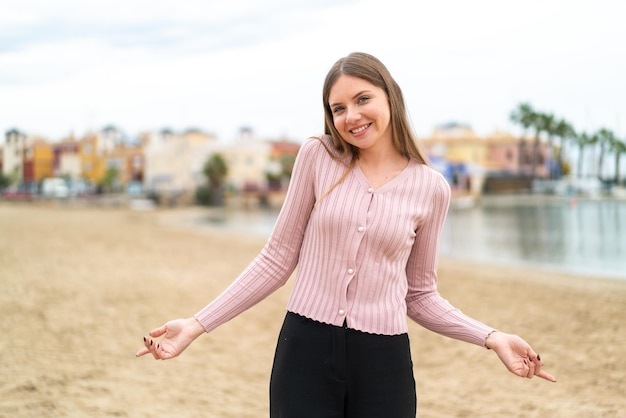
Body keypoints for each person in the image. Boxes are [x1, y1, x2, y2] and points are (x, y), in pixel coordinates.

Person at [137, 52, 556, 417]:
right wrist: (197, 324)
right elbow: (277, 258)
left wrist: (491, 336)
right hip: (305, 350)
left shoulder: (431, 188)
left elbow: (420, 294)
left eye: (362, 99)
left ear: (389, 96)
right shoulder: (317, 156)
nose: (351, 116)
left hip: (384, 362)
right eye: (338, 108)